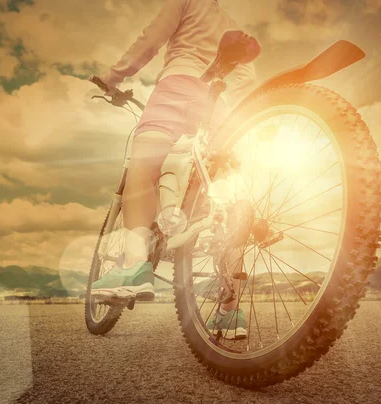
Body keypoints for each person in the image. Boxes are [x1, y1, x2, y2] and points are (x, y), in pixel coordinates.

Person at [91, 0, 257, 338]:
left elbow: (151, 39)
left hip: (178, 86)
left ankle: (134, 265)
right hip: (217, 106)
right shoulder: (230, 21)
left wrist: (112, 76)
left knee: (145, 163)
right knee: (217, 201)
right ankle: (230, 312)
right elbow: (247, 76)